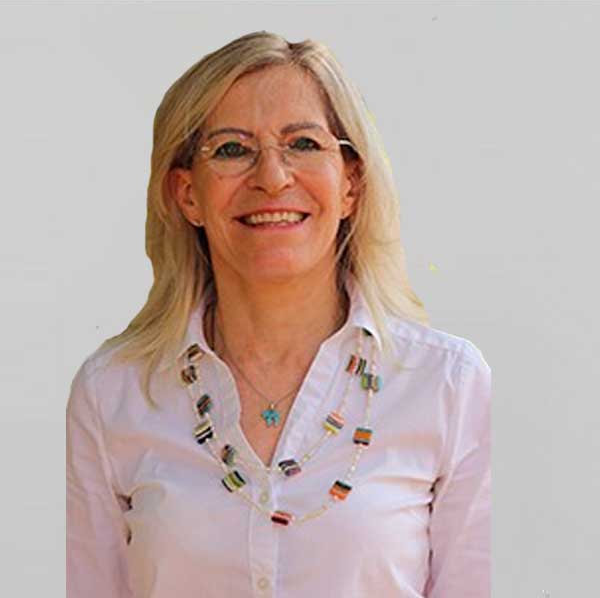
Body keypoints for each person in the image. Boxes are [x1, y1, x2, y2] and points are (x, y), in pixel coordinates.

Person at [66, 31, 491, 598]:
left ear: (350, 184)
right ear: (187, 194)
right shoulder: (111, 395)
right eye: (232, 149)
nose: (272, 177)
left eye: (303, 144)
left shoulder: (448, 385)